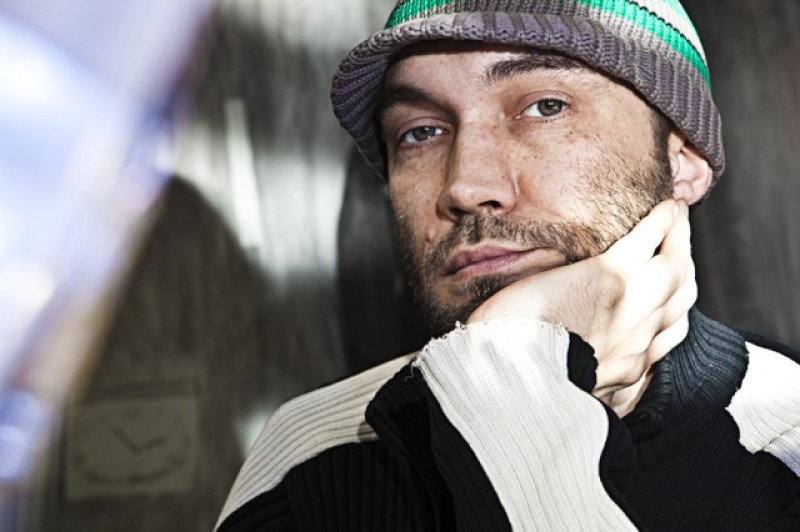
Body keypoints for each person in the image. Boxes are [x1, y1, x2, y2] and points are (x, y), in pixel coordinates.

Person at [216, 1, 800, 530]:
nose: (466, 186)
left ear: (683, 160)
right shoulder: (311, 456)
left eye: (546, 107)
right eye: (421, 132)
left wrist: (511, 382)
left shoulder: (786, 433)